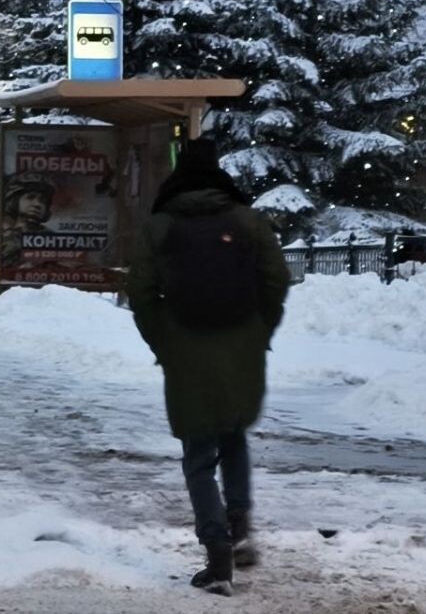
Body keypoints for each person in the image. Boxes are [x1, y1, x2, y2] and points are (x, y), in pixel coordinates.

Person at [126, 138, 291, 597]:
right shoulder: (247, 220)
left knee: (199, 455)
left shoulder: (160, 226)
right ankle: (238, 528)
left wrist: (163, 339)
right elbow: (276, 279)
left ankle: (218, 556)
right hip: (241, 347)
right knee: (233, 435)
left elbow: (140, 293)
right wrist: (259, 328)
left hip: (185, 348)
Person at [0, 171, 55, 270]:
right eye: (30, 197)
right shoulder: (4, 237)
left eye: (43, 200)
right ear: (15, 201)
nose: (37, 204)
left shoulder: (52, 238)